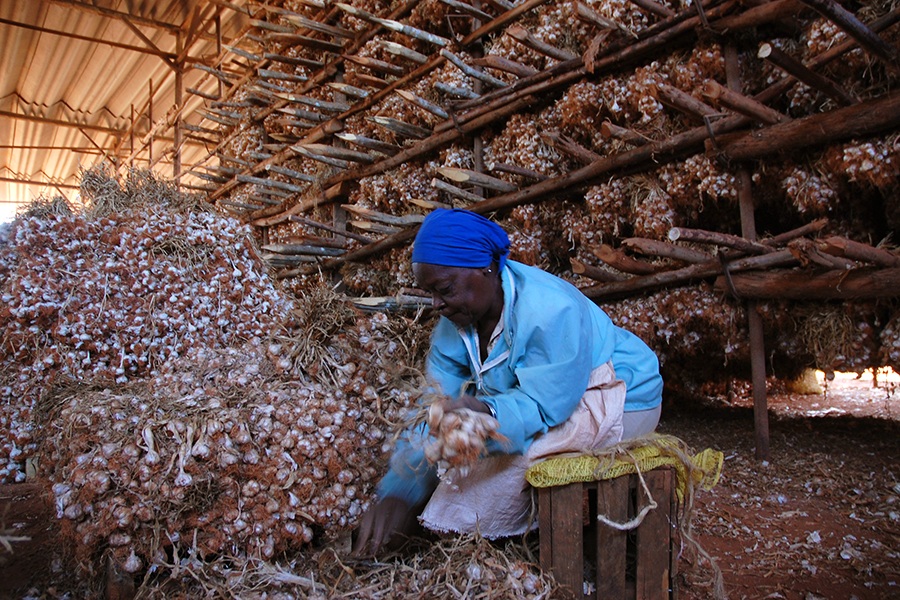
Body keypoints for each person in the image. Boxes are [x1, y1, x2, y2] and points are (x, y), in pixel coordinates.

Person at [353, 208, 663, 556]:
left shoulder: (551, 311)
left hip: (615, 393)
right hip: (543, 398)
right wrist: (400, 490)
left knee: (500, 467)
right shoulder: (453, 323)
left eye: (444, 289)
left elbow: (543, 406)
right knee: (462, 447)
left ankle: (556, 543)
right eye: (430, 293)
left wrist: (486, 410)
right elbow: (432, 407)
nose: (436, 304)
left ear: (485, 268)